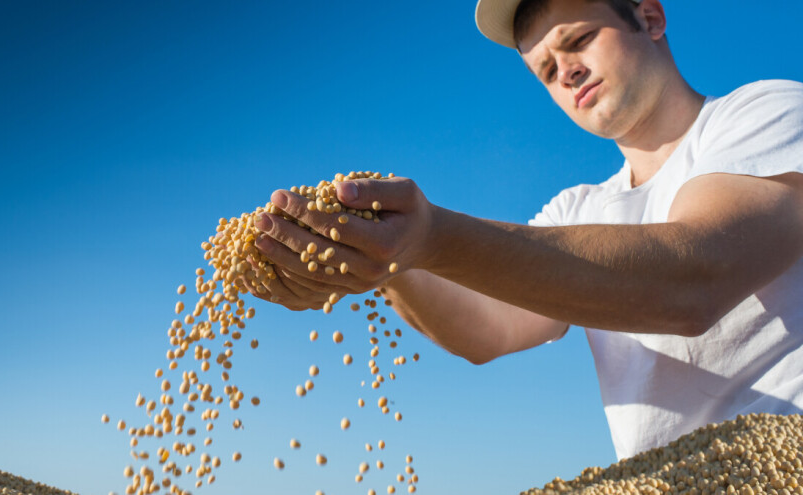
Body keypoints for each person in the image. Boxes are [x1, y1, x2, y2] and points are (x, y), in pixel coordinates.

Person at [248, 0, 803, 460]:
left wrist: (431, 236)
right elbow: (487, 330)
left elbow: (692, 279)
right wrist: (382, 260)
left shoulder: (764, 113)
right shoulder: (578, 210)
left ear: (650, 18)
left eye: (579, 39)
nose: (566, 71)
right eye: (545, 70)